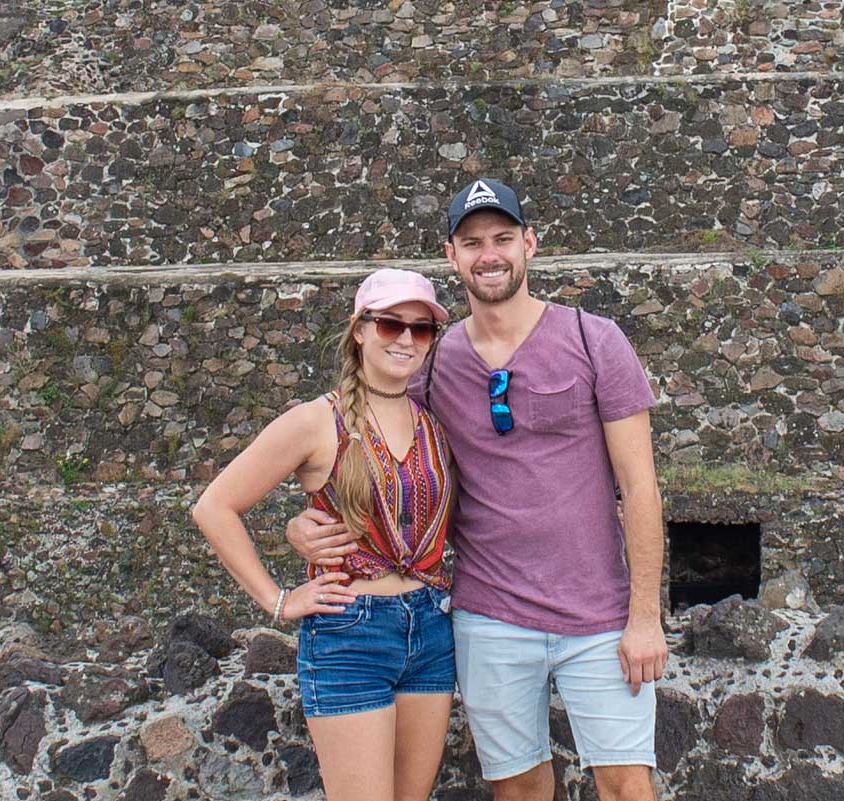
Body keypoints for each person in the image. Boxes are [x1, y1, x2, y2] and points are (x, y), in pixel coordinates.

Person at [288, 178, 669, 801]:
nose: (488, 254)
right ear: (451, 256)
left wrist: (645, 618)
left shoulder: (594, 341)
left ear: (530, 244)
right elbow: (370, 455)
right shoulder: (433, 362)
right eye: (472, 243)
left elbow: (640, 486)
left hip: (599, 613)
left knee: (627, 784)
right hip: (490, 613)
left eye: (502, 238)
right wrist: (302, 521)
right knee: (518, 789)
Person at [192, 268, 459, 801]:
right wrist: (278, 601)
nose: (406, 339)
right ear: (359, 329)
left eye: (422, 329)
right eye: (390, 324)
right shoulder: (318, 421)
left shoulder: (434, 419)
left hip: (432, 629)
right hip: (351, 632)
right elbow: (215, 507)